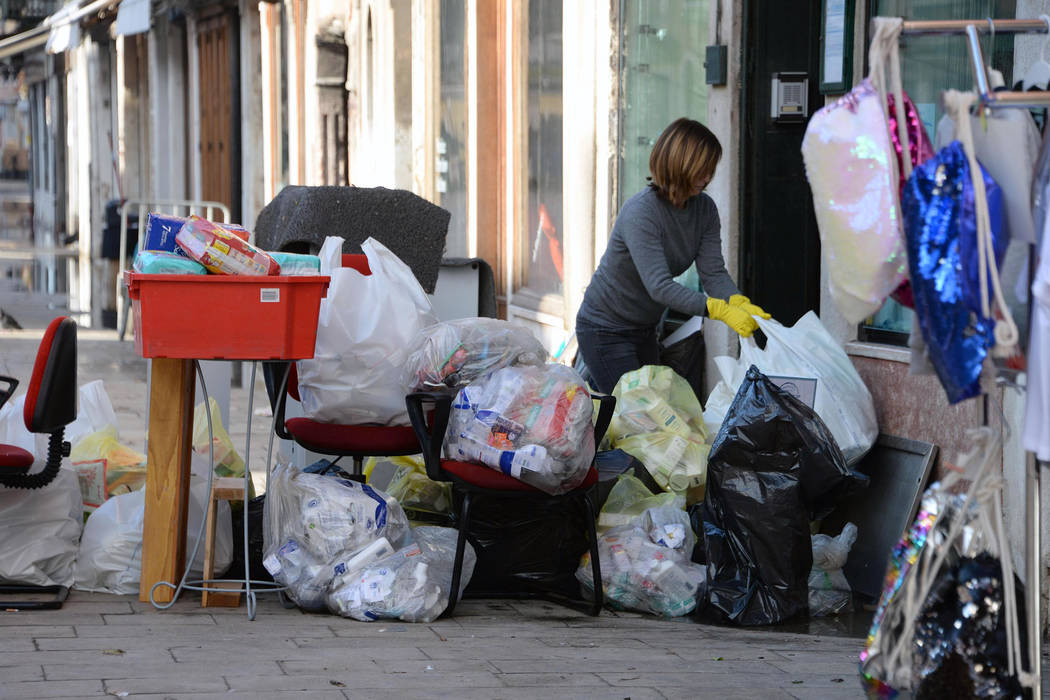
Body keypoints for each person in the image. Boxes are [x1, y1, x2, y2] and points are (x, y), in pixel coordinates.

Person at [575, 117, 769, 393]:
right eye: (702, 169)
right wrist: (716, 309)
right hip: (604, 328)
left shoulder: (705, 210)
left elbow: (713, 272)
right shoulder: (641, 213)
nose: (707, 177)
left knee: (650, 412)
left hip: (644, 329)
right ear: (679, 164)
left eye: (711, 169)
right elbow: (659, 287)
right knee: (638, 416)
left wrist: (736, 300)